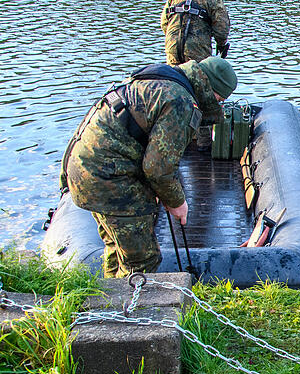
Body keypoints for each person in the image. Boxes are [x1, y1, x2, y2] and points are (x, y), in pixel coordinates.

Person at [59, 57, 237, 278]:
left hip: (84, 167)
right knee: (142, 261)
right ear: (212, 91)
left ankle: (108, 305)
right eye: (220, 99)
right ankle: (134, 309)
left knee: (117, 248)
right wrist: (177, 202)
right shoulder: (181, 102)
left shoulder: (162, 79)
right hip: (110, 178)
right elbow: (158, 168)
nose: (218, 104)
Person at [161, 0, 231, 66]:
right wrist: (221, 45)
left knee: (174, 78)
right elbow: (222, 28)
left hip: (172, 46)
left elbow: (164, 22)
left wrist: (173, 37)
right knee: (198, 78)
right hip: (197, 49)